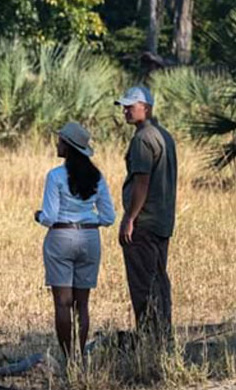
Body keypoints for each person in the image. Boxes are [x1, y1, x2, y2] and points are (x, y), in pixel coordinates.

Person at [34, 122, 115, 360]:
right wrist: (89, 221)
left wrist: (38, 216)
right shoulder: (96, 176)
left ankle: (68, 357)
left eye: (60, 141)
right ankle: (80, 354)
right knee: (82, 304)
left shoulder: (55, 176)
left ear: (68, 147)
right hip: (90, 237)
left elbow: (49, 216)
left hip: (61, 236)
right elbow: (109, 216)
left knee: (62, 303)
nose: (57, 144)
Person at [115, 86, 177, 339]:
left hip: (145, 222)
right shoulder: (163, 135)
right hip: (162, 220)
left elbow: (142, 182)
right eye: (125, 106)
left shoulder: (142, 139)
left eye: (131, 105)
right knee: (159, 279)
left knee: (143, 284)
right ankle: (162, 336)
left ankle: (149, 338)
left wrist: (130, 218)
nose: (126, 110)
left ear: (147, 108)